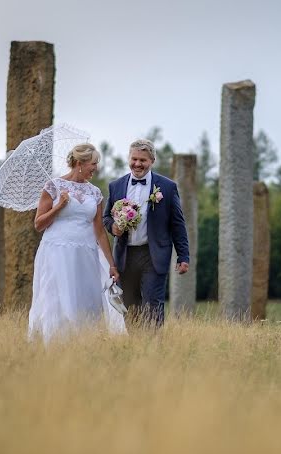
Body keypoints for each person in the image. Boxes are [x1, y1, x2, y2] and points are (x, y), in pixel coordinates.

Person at [28, 143, 126, 343]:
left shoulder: (95, 193)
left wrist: (111, 264)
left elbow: (99, 231)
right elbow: (38, 224)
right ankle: (54, 346)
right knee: (56, 300)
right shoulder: (53, 187)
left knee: (87, 299)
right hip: (57, 251)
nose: (96, 167)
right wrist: (59, 207)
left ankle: (85, 344)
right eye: (93, 163)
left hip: (86, 252)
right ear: (79, 163)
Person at [103, 139, 190, 326]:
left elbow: (178, 224)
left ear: (152, 161)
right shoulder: (116, 186)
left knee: (152, 303)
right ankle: (137, 347)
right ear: (128, 158)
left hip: (154, 254)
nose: (137, 164)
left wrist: (183, 256)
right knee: (130, 304)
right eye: (134, 159)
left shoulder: (167, 187)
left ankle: (154, 347)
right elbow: (106, 218)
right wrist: (113, 227)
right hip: (125, 255)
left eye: (143, 160)